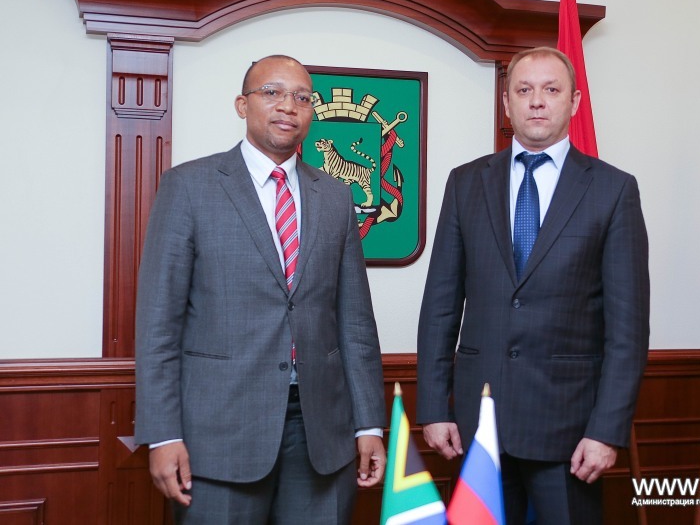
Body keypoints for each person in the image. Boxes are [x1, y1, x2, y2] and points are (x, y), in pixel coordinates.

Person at [134, 54, 386, 524]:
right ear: (242, 104)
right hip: (217, 436)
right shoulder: (188, 187)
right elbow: (158, 324)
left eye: (302, 97)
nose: (288, 105)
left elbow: (355, 320)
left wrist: (369, 423)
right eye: (272, 93)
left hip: (321, 432)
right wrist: (162, 434)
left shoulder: (335, 196)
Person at [416, 47, 649, 524]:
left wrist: (606, 430)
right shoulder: (466, 183)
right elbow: (440, 306)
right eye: (524, 90)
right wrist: (434, 407)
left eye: (551, 89)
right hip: (478, 426)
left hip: (570, 432)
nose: (537, 101)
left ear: (574, 102)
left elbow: (627, 329)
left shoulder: (613, 190)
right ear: (507, 103)